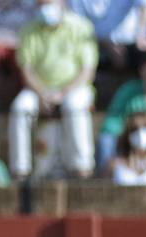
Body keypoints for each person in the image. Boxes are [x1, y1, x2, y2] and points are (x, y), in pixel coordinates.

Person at [8, 0, 98, 180]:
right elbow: (26, 70)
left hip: (75, 88)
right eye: (41, 3)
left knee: (75, 107)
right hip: (39, 90)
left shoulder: (81, 27)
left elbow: (87, 71)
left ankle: (82, 168)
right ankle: (20, 170)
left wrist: (62, 94)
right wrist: (42, 94)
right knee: (20, 108)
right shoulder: (28, 29)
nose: (45, 8)